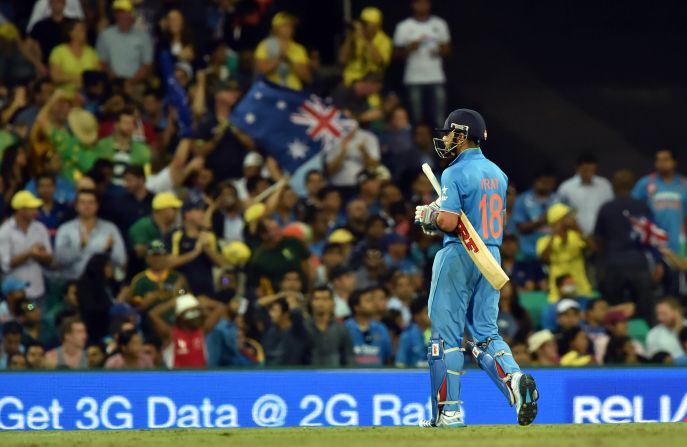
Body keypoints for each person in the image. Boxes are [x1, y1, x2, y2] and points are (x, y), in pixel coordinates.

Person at [413, 109, 538, 427]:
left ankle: (447, 412)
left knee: (445, 336)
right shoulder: (498, 173)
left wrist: (430, 216)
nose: (445, 138)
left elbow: (449, 222)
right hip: (491, 255)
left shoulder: (453, 173)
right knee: (485, 334)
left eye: (450, 133)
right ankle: (514, 380)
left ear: (462, 134)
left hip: (459, 254)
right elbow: (499, 220)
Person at [595, 170, 655, 322]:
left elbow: (599, 239)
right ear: (633, 185)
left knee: (615, 306)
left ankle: (618, 337)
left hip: (614, 264)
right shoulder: (642, 207)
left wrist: (603, 262)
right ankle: (644, 336)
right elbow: (651, 237)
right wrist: (656, 262)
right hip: (638, 264)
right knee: (643, 308)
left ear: (614, 186)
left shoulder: (607, 208)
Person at [632, 149, 687, 294]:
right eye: (658, 160)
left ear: (674, 162)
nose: (661, 163)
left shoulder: (683, 185)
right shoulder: (645, 183)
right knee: (651, 289)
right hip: (652, 247)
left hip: (676, 246)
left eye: (666, 159)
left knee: (675, 289)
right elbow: (635, 212)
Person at [392, 0, 451, 127]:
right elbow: (395, 55)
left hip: (436, 77)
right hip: (413, 78)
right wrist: (409, 49)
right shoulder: (404, 26)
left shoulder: (439, 24)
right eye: (419, 3)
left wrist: (439, 51)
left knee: (439, 119)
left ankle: (439, 146)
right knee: (416, 119)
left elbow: (448, 49)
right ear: (413, 5)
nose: (422, 5)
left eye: (425, 2)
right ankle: (418, 145)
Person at [54, 189, 127, 280]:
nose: (87, 206)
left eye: (91, 202)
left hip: (101, 282)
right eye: (82, 202)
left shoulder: (110, 229)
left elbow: (121, 260)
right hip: (72, 282)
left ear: (97, 205)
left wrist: (108, 252)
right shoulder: (65, 229)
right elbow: (59, 260)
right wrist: (80, 246)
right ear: (76, 206)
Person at [0, 190, 53, 302]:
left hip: (37, 289)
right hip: (16, 294)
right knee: (27, 312)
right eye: (31, 208)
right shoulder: (5, 231)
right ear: (20, 210)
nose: (36, 212)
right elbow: (6, 264)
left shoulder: (40, 228)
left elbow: (50, 258)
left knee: (37, 315)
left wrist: (40, 255)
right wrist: (30, 253)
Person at [148, 293, 225, 369]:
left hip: (199, 379)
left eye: (197, 312)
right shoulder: (170, 334)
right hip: (176, 379)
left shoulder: (202, 330)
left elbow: (221, 307)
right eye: (190, 313)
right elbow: (153, 314)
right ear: (180, 317)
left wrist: (206, 302)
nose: (195, 316)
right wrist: (171, 303)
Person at [167, 199, 225, 298]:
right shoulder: (176, 235)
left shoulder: (209, 236)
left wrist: (206, 248)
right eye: (198, 210)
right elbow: (169, 262)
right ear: (187, 214)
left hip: (207, 288)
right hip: (182, 289)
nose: (203, 213)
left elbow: (221, 263)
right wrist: (195, 252)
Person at [536, 203, 594, 302]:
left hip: (581, 288)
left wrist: (578, 228)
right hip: (557, 291)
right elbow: (543, 259)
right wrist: (554, 234)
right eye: (566, 217)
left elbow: (593, 248)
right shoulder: (545, 240)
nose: (571, 218)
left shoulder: (576, 236)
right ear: (558, 220)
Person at [96, 0, 153, 83]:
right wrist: (117, 81)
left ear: (132, 14)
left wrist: (131, 82)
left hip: (137, 83)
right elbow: (101, 63)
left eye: (126, 12)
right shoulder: (105, 36)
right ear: (115, 15)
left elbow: (147, 65)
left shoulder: (143, 37)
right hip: (112, 84)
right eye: (120, 12)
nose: (123, 16)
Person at [511, 169, 558, 270]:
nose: (547, 186)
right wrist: (541, 221)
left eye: (550, 183)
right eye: (544, 182)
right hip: (529, 254)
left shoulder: (558, 200)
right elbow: (521, 227)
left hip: (554, 255)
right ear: (536, 181)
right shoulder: (522, 200)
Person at [557, 153, 613, 235]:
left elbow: (609, 209)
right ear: (578, 168)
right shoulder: (566, 187)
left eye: (591, 170)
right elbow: (558, 213)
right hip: (575, 235)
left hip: (599, 235)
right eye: (585, 170)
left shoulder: (604, 185)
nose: (588, 174)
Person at [254, 12, 311, 91]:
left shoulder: (299, 49)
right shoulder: (264, 46)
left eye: (291, 26)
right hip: (271, 90)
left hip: (293, 90)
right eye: (285, 26)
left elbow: (307, 78)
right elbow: (261, 71)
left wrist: (290, 60)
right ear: (276, 28)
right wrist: (280, 57)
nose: (290, 29)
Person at [95, 108, 152, 186]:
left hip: (131, 192)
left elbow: (146, 175)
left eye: (131, 123)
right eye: (126, 123)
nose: (129, 126)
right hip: (107, 190)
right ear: (116, 125)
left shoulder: (143, 150)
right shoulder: (102, 145)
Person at [339, 7, 392, 86]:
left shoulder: (385, 40)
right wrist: (349, 38)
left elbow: (381, 62)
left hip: (370, 81)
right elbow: (342, 60)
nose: (362, 26)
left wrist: (365, 39)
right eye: (361, 23)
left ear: (377, 25)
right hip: (349, 80)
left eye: (366, 24)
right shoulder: (355, 37)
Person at [306, 286, 353, 367]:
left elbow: (348, 359)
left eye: (325, 299)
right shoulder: (303, 328)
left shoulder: (341, 330)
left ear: (332, 303)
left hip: (335, 376)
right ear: (311, 302)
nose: (320, 303)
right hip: (307, 376)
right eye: (316, 299)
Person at [345, 288, 392, 367]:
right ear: (357, 307)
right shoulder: (345, 329)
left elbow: (388, 358)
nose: (373, 304)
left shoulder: (381, 328)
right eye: (368, 301)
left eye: (372, 300)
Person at [48, 19, 99, 92]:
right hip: (64, 96)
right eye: (81, 30)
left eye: (84, 30)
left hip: (88, 95)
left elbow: (98, 75)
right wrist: (79, 78)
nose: (84, 32)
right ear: (71, 33)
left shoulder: (91, 52)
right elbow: (55, 77)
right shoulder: (58, 51)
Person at [128, 192, 182, 260]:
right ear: (163, 209)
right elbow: (139, 252)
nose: (177, 212)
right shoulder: (143, 226)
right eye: (174, 208)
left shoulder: (173, 227)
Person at [396, 299, 430, 367]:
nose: (431, 315)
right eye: (427, 312)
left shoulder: (439, 333)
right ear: (417, 316)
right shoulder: (407, 336)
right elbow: (400, 364)